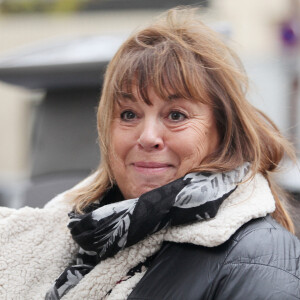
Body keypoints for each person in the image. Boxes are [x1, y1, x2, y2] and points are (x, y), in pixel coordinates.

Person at [1, 7, 299, 300]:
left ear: (222, 132)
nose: (148, 137)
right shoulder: (72, 233)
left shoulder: (258, 257)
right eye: (129, 114)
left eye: (177, 115)